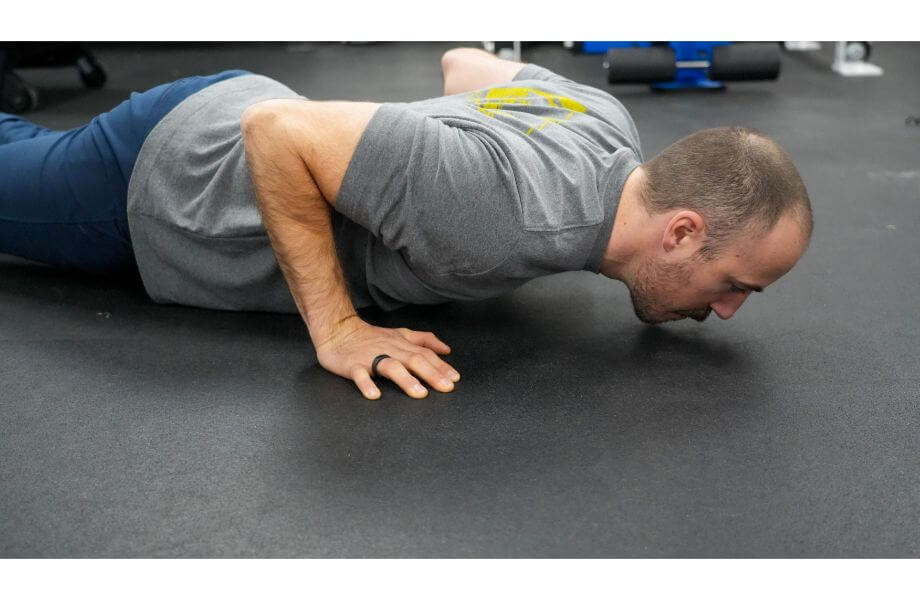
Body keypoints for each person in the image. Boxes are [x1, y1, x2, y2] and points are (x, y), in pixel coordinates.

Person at [0, 47, 813, 402]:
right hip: (163, 178)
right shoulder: (500, 217)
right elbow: (277, 132)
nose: (729, 309)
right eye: (734, 284)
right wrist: (338, 329)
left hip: (222, 102)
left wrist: (419, 160)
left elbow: (465, 64)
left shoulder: (605, 122)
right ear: (681, 231)